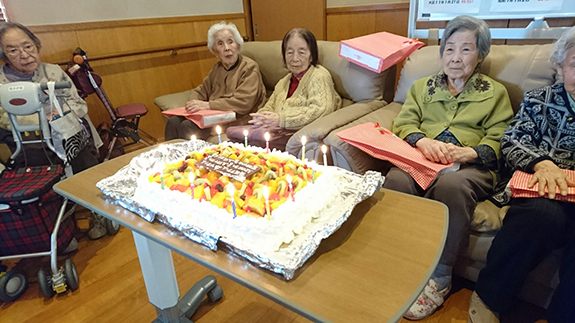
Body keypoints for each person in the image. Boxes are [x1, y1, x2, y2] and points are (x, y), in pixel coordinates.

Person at [382, 16, 514, 320]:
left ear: (481, 54)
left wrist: (470, 152)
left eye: (466, 49)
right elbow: (404, 122)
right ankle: (400, 259)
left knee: (451, 187)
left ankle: (440, 276)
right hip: (424, 159)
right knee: (396, 180)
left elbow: (501, 138)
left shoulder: (495, 94)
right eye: (449, 48)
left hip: (470, 167)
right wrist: (422, 142)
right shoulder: (421, 87)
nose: (455, 57)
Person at [469, 26, 575, 323]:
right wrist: (543, 164)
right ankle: (490, 296)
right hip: (539, 189)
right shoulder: (539, 100)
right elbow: (512, 140)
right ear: (559, 66)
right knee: (542, 215)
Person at [0, 22, 106, 240]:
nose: (24, 54)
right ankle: (59, 229)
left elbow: (78, 106)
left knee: (82, 154)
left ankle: (99, 212)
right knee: (37, 167)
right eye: (13, 50)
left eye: (28, 46)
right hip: (27, 144)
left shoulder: (53, 72)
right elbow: (4, 120)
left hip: (66, 135)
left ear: (36, 46)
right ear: (4, 55)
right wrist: (44, 117)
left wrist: (53, 118)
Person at [226, 28, 342, 150]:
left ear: (311, 56)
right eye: (290, 52)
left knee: (241, 146)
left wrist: (282, 120)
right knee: (234, 143)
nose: (295, 58)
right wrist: (260, 118)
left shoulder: (319, 76)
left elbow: (322, 109)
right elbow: (269, 106)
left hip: (297, 135)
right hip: (274, 132)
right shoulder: (283, 82)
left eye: (301, 52)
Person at [164, 21, 267, 141]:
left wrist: (208, 105)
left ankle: (193, 159)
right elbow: (202, 89)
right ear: (215, 50)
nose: (227, 48)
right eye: (220, 44)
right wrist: (193, 103)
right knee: (173, 122)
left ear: (238, 45)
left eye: (230, 42)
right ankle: (170, 158)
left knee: (188, 126)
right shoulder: (217, 68)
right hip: (215, 116)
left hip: (237, 118)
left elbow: (243, 103)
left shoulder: (249, 68)